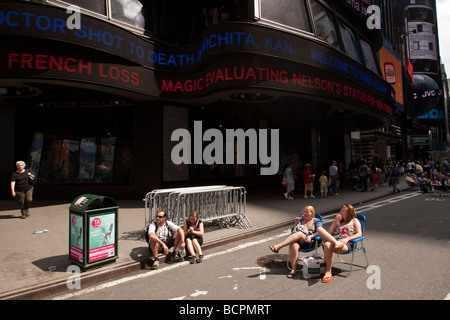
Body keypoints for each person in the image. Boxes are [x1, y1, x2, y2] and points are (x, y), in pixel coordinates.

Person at [268, 205, 322, 278]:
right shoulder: (301, 220)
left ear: (312, 213)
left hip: (309, 242)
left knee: (300, 234)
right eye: (304, 212)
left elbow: (320, 232)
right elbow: (293, 231)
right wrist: (296, 223)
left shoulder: (316, 221)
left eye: (307, 212)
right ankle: (293, 270)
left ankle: (278, 246)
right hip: (299, 241)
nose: (305, 214)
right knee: (293, 245)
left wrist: (311, 236)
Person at [316, 204, 363, 283]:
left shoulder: (354, 221)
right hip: (337, 241)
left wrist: (347, 239)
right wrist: (334, 221)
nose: (340, 212)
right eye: (341, 210)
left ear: (349, 212)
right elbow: (329, 233)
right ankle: (328, 271)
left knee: (327, 244)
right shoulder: (338, 222)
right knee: (319, 229)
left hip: (347, 243)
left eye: (343, 210)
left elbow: (359, 234)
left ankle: (328, 271)